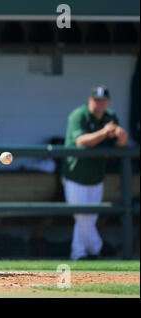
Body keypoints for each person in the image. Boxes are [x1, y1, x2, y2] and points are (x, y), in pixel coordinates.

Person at [62, 86, 128, 261]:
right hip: (75, 174)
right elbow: (81, 141)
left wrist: (122, 137)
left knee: (89, 218)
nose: (100, 103)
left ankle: (80, 253)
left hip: (97, 175)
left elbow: (120, 145)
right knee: (82, 215)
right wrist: (104, 132)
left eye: (104, 100)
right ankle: (96, 248)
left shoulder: (110, 117)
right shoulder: (79, 115)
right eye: (97, 100)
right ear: (90, 100)